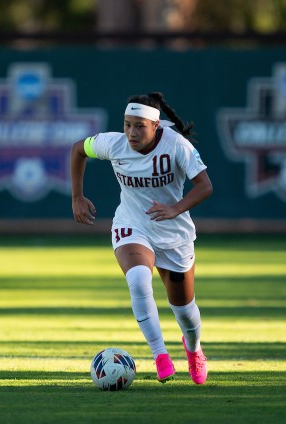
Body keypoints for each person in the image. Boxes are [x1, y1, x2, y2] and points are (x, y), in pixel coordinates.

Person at [70, 92, 213, 385]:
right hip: (132, 224)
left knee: (184, 311)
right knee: (137, 280)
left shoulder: (177, 146)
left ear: (156, 126)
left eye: (139, 126)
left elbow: (204, 186)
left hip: (173, 233)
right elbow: (77, 150)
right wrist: (77, 197)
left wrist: (176, 208)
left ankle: (194, 350)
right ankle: (160, 355)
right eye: (127, 124)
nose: (131, 132)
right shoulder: (114, 144)